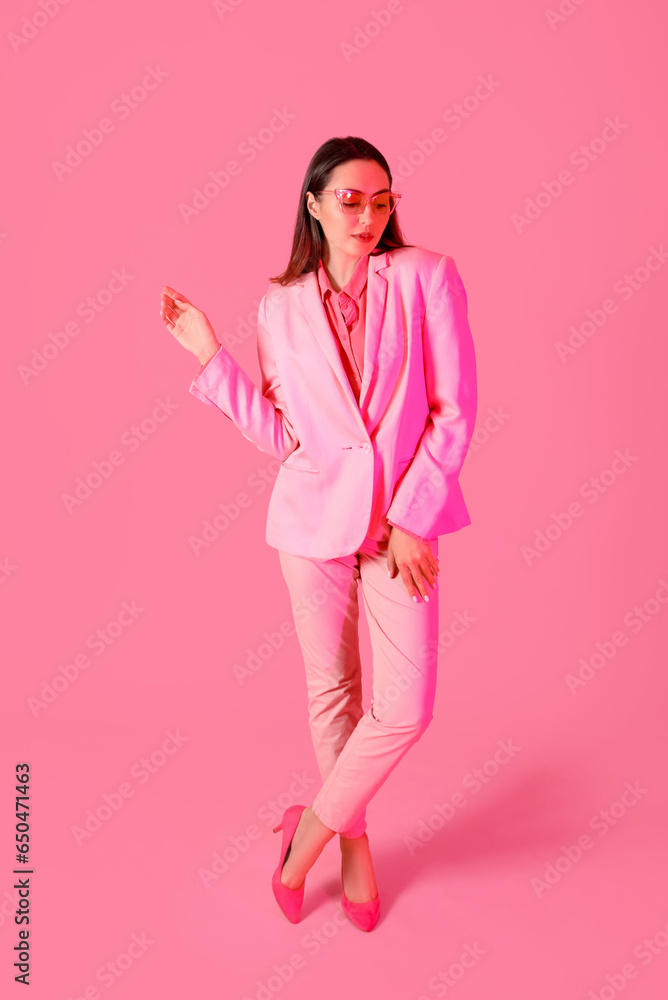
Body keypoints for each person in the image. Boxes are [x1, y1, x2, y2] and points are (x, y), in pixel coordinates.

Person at [160, 135, 477, 932]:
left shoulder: (427, 277)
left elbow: (454, 411)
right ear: (313, 203)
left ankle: (308, 834)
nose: (368, 215)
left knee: (405, 709)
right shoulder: (280, 306)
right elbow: (281, 437)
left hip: (402, 527)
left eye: (382, 200)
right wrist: (210, 355)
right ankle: (357, 847)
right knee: (334, 694)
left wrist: (410, 518)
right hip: (310, 527)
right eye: (350, 200)